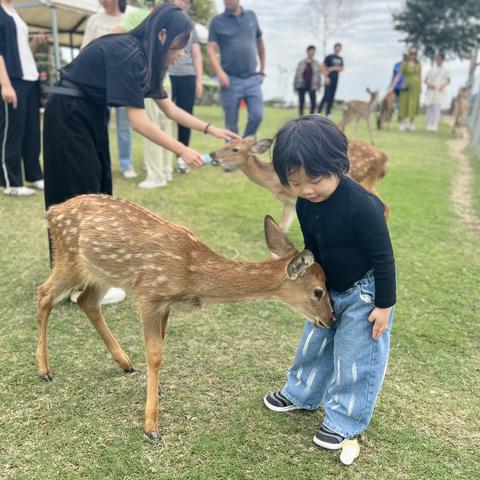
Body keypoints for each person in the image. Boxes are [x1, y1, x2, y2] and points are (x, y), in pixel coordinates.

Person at [43, 4, 239, 304]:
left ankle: (89, 278)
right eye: (178, 46)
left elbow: (169, 109)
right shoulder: (129, 53)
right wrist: (183, 150)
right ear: (162, 35)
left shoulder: (145, 58)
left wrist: (212, 130)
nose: (181, 54)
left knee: (99, 191)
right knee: (78, 194)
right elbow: (139, 122)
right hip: (69, 113)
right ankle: (73, 284)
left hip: (89, 112)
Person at [263, 115, 396, 456]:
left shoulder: (364, 206)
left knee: (356, 356)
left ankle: (345, 420)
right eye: (295, 182)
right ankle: (300, 393)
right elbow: (313, 243)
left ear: (340, 165)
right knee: (315, 342)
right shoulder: (306, 202)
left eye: (316, 179)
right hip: (330, 286)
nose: (307, 189)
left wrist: (384, 306)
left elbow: (384, 258)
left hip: (364, 292)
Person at [116, 0, 174, 189]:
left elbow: (115, 35)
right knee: (165, 126)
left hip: (147, 80)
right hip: (165, 80)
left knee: (152, 128)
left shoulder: (137, 16)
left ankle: (155, 175)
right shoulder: (170, 19)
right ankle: (166, 171)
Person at [81, 0, 136, 179]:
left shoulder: (129, 19)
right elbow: (85, 49)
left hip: (122, 82)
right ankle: (97, 162)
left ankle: (126, 164)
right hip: (98, 83)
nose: (104, 2)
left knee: (124, 126)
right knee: (98, 123)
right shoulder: (94, 21)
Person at [0, 0, 46, 196]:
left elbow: (20, 51)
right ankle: (10, 182)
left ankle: (34, 176)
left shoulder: (14, 11)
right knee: (12, 132)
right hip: (12, 79)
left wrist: (34, 44)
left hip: (29, 78)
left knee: (32, 131)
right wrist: (5, 84)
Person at [207, 0, 265, 139]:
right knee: (231, 126)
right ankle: (231, 158)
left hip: (252, 78)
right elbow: (211, 49)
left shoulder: (251, 16)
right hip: (230, 79)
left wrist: (262, 70)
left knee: (257, 115)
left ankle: (244, 145)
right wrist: (219, 73)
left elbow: (260, 43)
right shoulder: (217, 21)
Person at [169, 0, 203, 174]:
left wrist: (199, 81)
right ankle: (161, 158)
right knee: (162, 118)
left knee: (185, 119)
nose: (182, 3)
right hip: (166, 76)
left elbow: (196, 55)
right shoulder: (165, 21)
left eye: (186, 1)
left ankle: (182, 158)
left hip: (187, 77)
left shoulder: (191, 26)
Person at [390, 46, 421, 132]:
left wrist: (420, 88)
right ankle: (401, 124)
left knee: (413, 105)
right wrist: (392, 86)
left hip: (416, 88)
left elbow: (419, 75)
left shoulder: (419, 64)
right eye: (411, 53)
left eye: (415, 54)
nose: (413, 55)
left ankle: (411, 124)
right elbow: (398, 76)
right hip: (406, 86)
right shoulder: (404, 64)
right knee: (403, 104)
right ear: (408, 54)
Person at [424, 52, 451, 132]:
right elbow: (426, 80)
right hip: (431, 90)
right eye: (437, 59)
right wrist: (430, 84)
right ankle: (429, 124)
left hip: (439, 91)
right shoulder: (431, 70)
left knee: (437, 108)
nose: (438, 61)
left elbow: (448, 80)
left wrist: (443, 86)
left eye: (440, 59)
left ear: (443, 60)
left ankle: (435, 125)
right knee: (430, 107)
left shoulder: (446, 70)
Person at [294, 45, 323, 116]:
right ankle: (301, 116)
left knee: (313, 102)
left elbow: (319, 75)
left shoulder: (316, 64)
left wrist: (319, 86)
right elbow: (297, 74)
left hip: (312, 86)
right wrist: (295, 86)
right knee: (301, 102)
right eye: (310, 51)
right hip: (301, 85)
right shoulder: (301, 62)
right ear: (307, 52)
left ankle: (311, 117)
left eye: (313, 52)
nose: (312, 53)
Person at [317, 43, 344, 119]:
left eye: (340, 48)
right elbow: (323, 66)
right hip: (328, 79)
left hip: (336, 79)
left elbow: (342, 68)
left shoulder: (340, 58)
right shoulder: (329, 57)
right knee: (326, 96)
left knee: (332, 96)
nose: (338, 49)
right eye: (337, 48)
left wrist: (334, 68)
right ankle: (318, 112)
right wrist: (325, 77)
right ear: (334, 48)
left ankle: (328, 113)